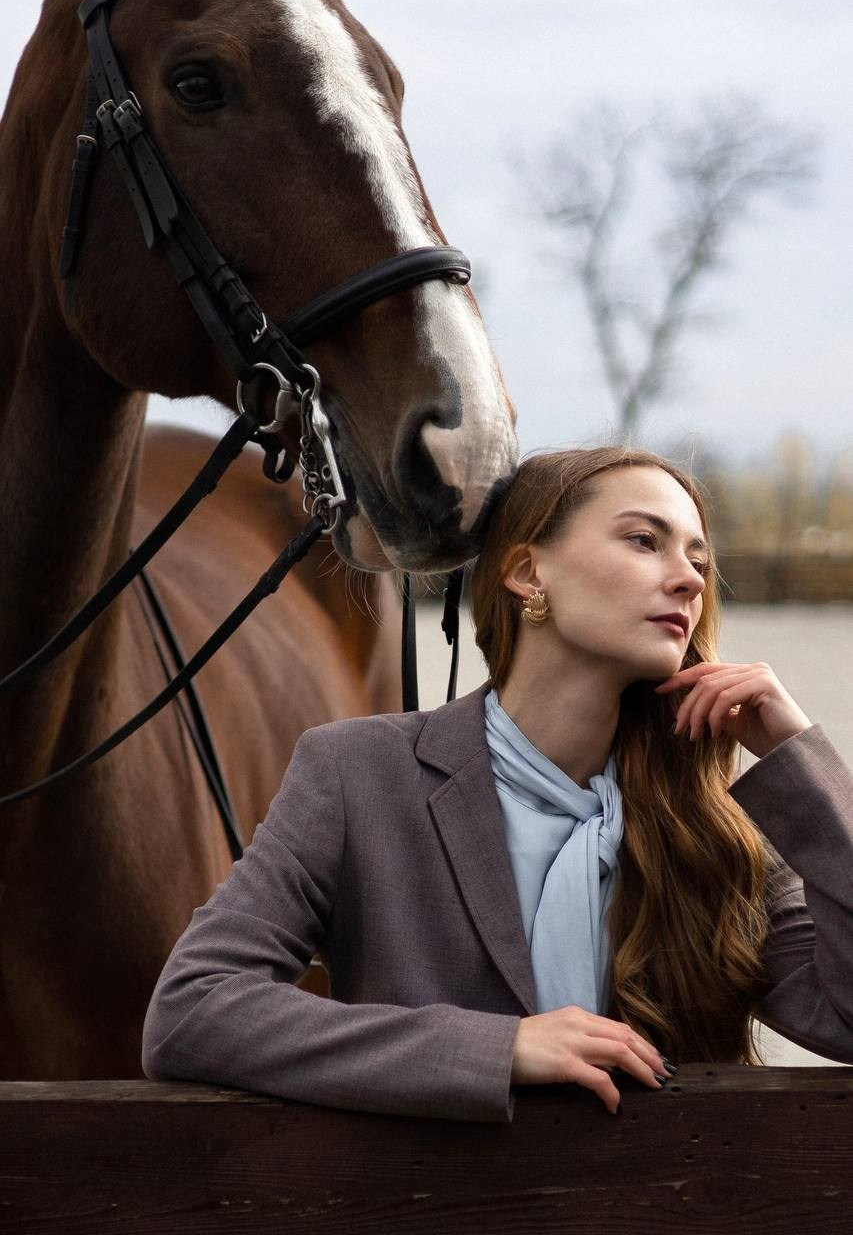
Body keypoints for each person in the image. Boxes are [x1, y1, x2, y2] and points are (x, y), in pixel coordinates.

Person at [141, 447, 853, 1121]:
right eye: (644, 541)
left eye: (698, 558)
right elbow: (194, 1010)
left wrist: (796, 757)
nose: (690, 579)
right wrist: (496, 1049)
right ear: (526, 573)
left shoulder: (713, 822)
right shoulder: (358, 776)